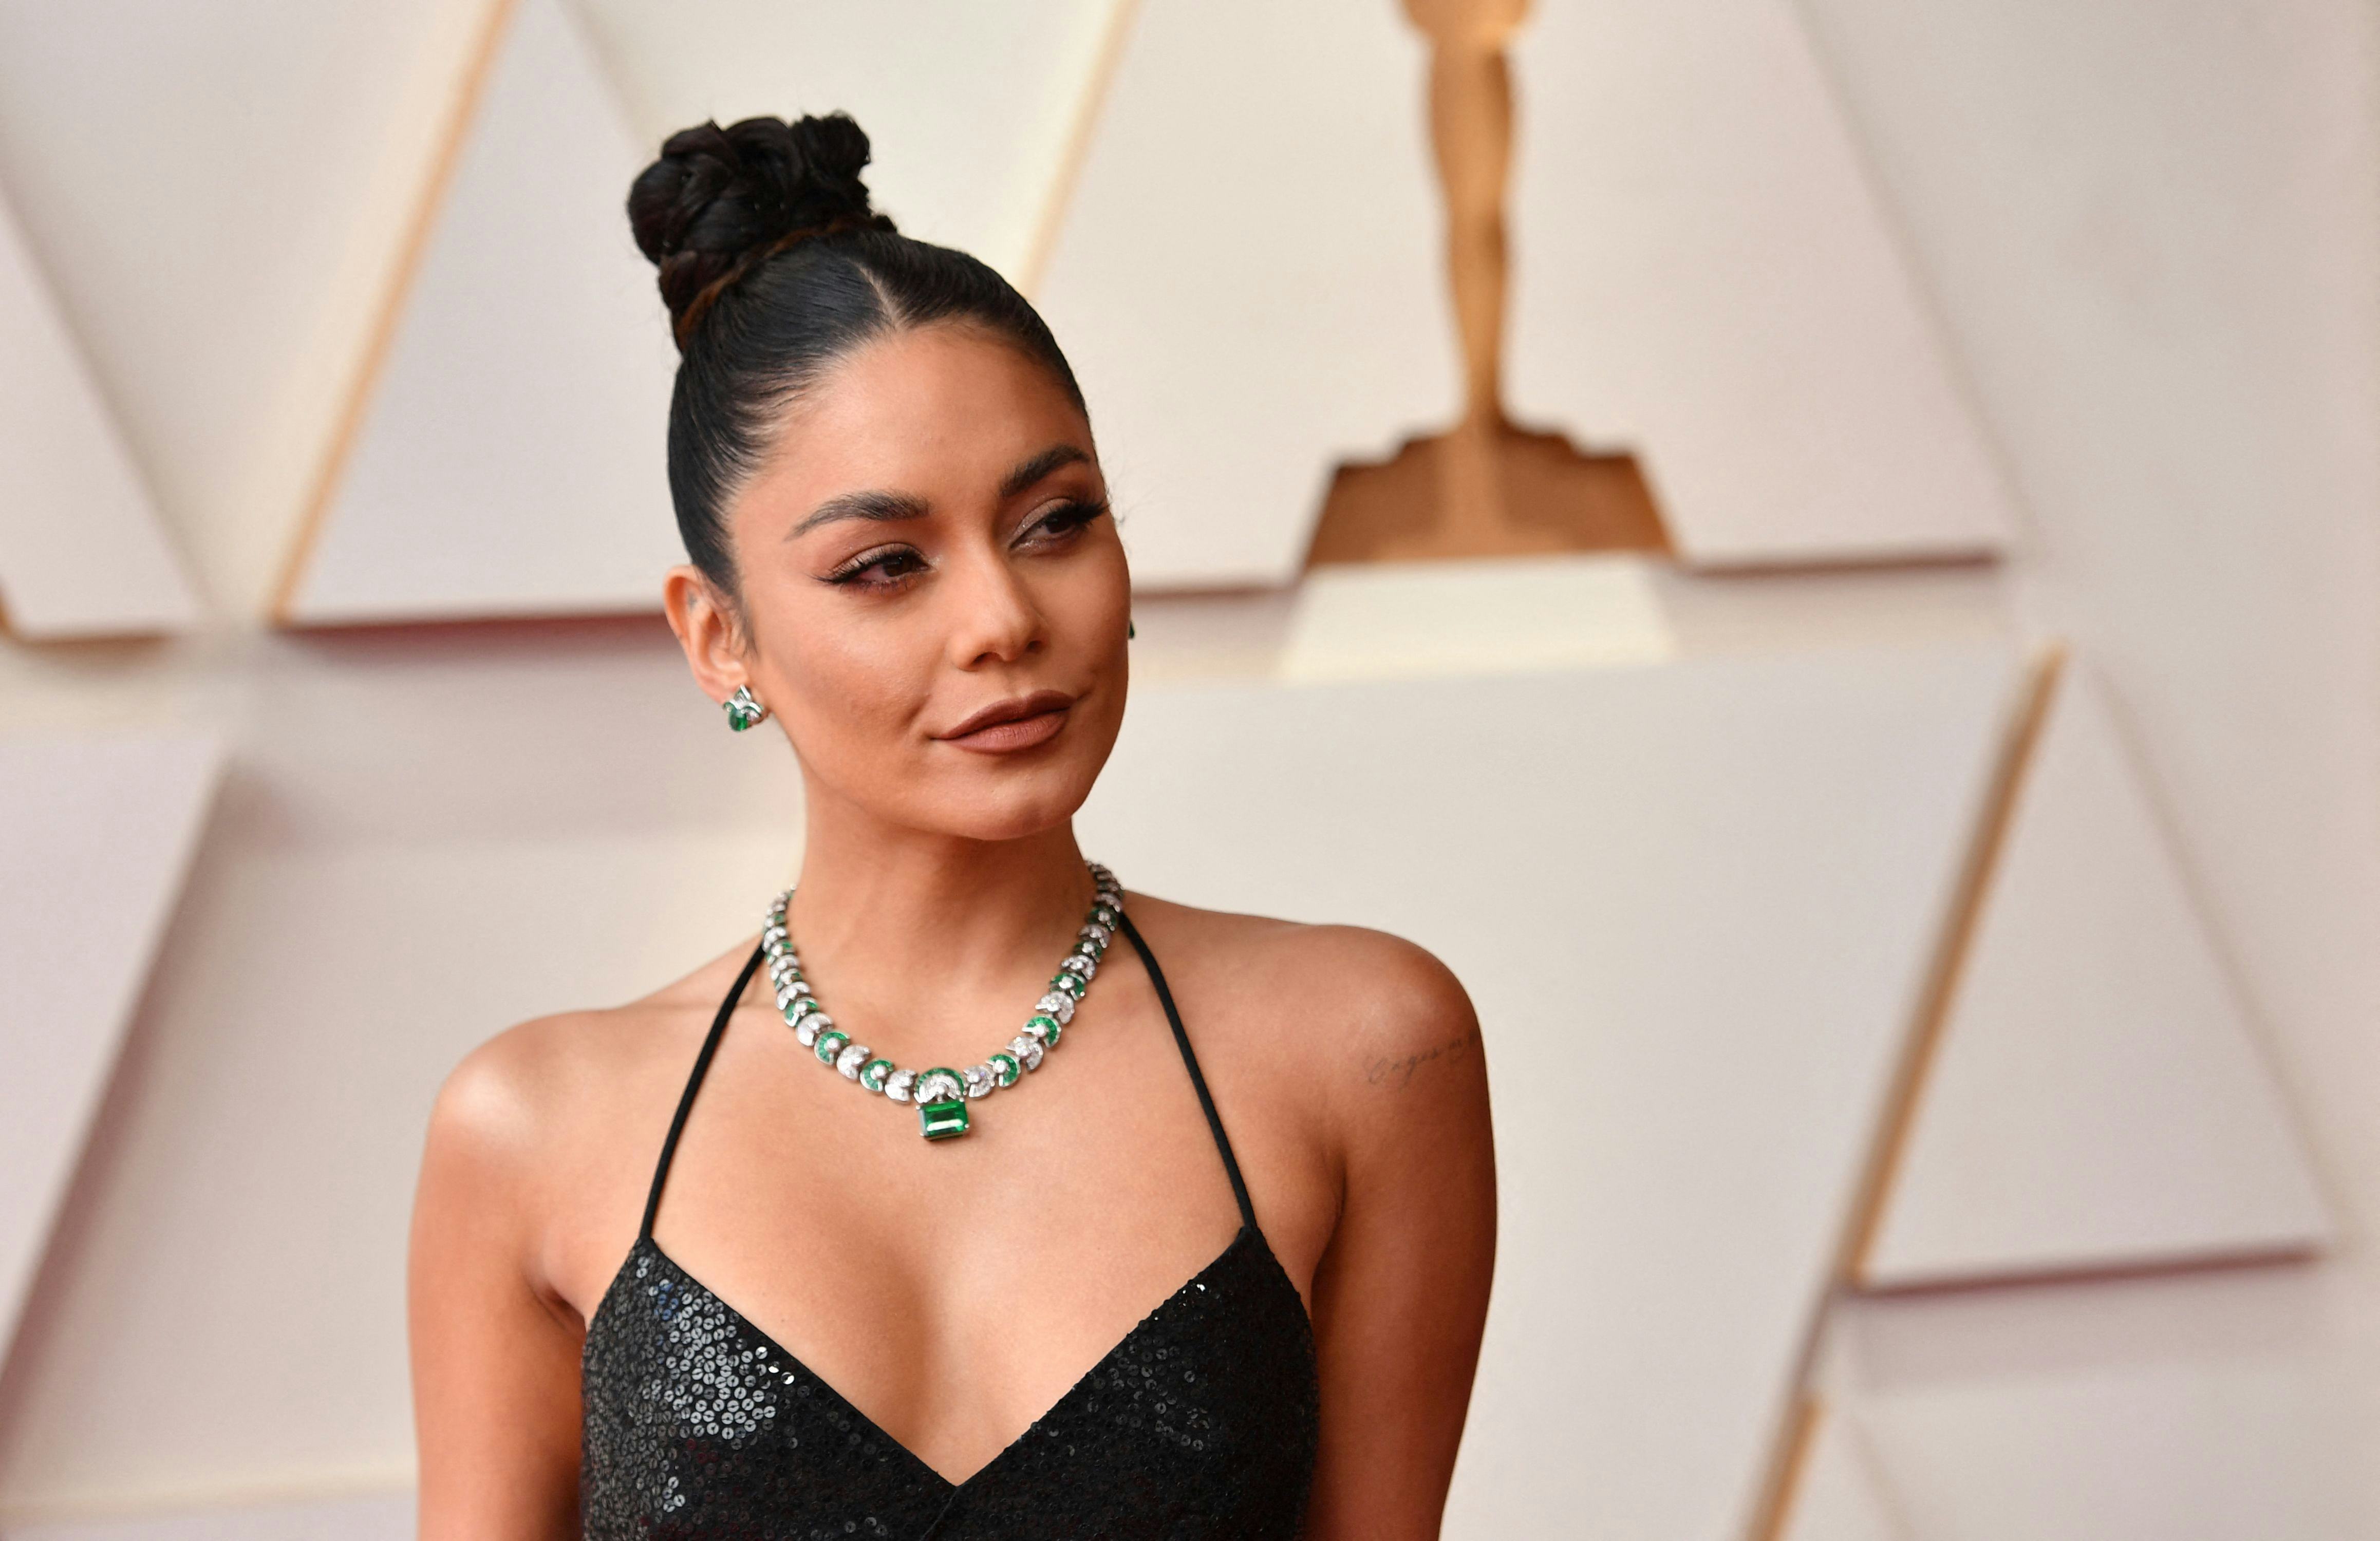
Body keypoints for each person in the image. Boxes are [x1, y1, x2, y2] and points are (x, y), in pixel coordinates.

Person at [407, 111, 1495, 1540]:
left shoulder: (1367, 1049)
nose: (1003, 620)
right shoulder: (534, 1129)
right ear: (721, 638)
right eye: (882, 565)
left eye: (1056, 522)